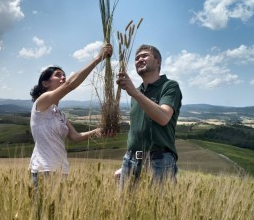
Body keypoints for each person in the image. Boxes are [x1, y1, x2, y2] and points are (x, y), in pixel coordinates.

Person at [28, 43, 113, 188]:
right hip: (44, 169)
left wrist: (98, 131)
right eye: (58, 75)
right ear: (45, 83)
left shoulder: (58, 113)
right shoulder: (41, 103)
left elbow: (75, 137)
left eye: (64, 75)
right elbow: (70, 85)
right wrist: (98, 58)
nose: (63, 77)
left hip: (61, 170)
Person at [115, 44, 182, 187]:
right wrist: (128, 163)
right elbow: (138, 128)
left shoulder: (169, 86)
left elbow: (163, 118)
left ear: (158, 61)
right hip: (131, 161)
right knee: (124, 208)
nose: (139, 59)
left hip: (160, 162)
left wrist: (135, 93)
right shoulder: (136, 92)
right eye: (136, 58)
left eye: (144, 55)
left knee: (159, 209)